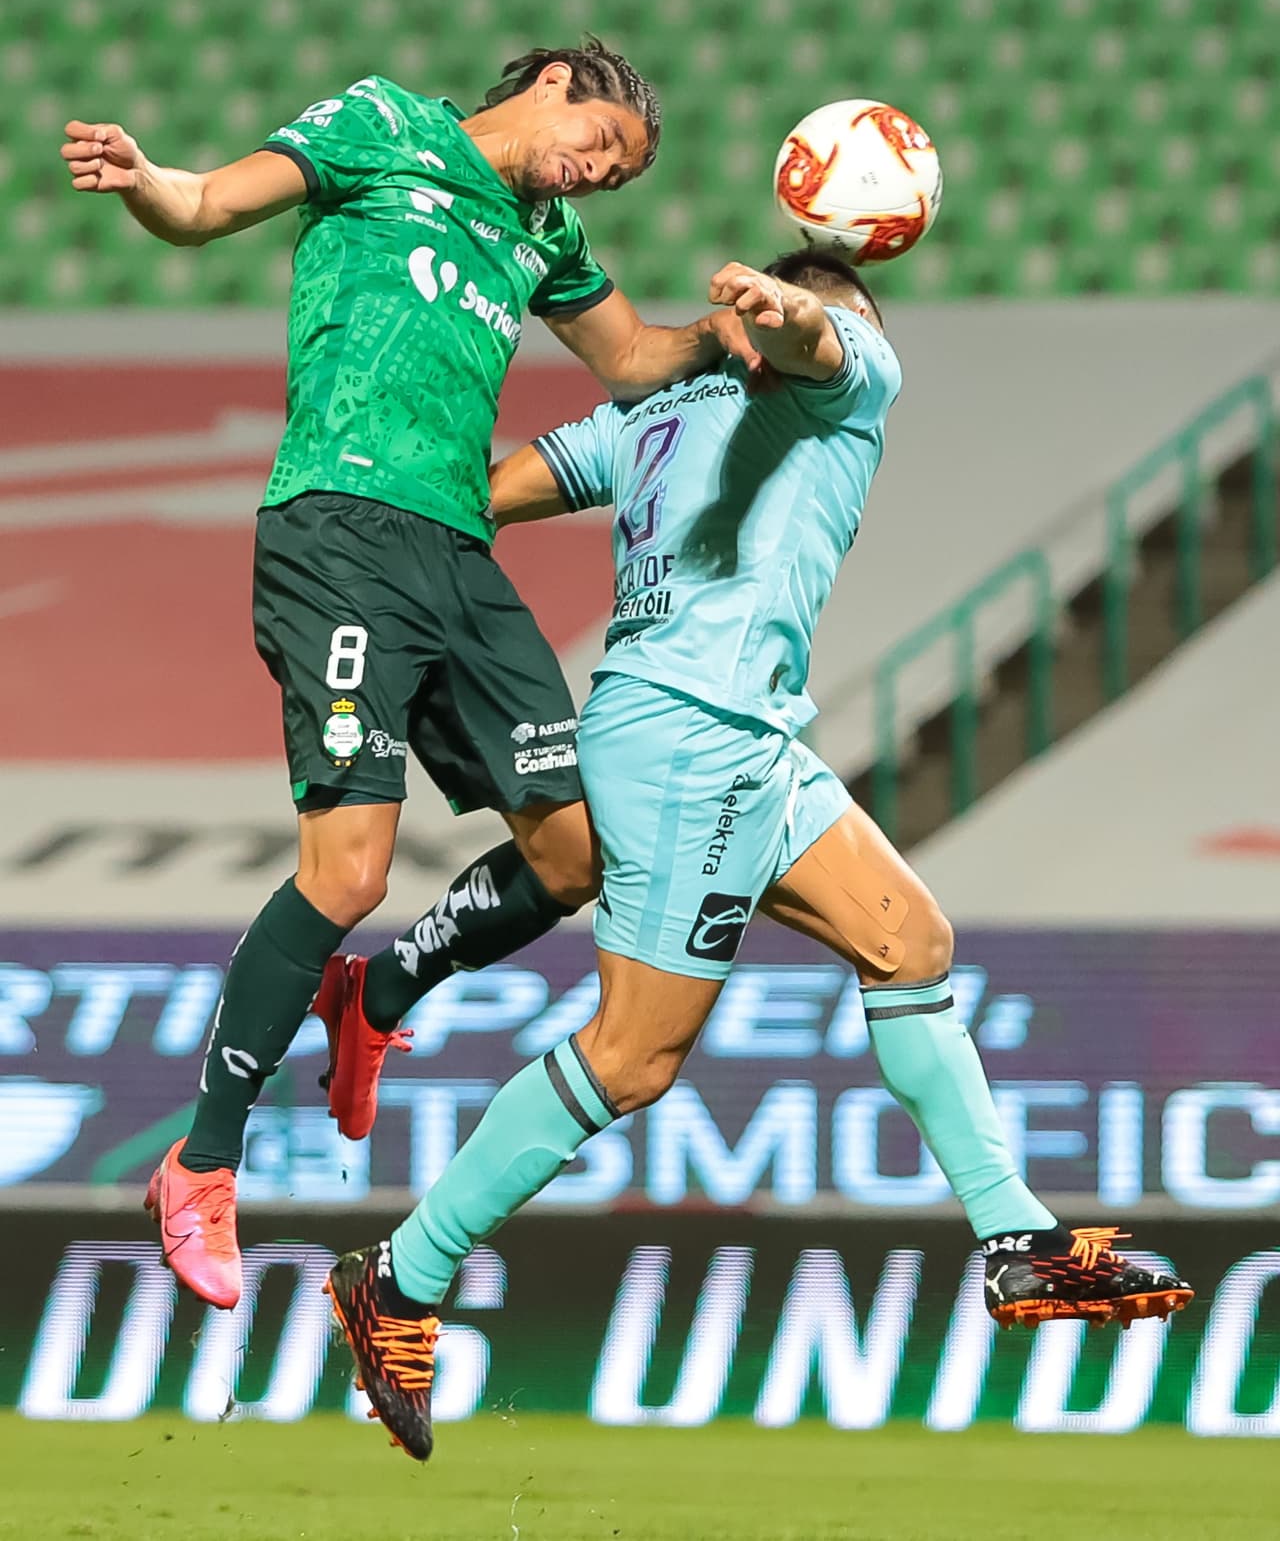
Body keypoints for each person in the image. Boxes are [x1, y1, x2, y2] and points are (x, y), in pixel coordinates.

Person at [323, 250, 1193, 1461]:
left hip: (748, 734)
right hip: (691, 736)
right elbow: (820, 345)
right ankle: (401, 1277)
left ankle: (1015, 1240)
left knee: (907, 939)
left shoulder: (646, 414)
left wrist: (367, 501)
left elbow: (488, 489)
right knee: (629, 1058)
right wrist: (792, 314)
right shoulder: (849, 365)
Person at [61, 38, 763, 1310]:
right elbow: (205, 205)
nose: (598, 176)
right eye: (602, 144)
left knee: (574, 858)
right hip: (338, 528)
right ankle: (200, 1164)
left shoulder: (544, 233)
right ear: (553, 82)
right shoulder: (382, 124)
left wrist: (720, 336)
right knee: (349, 871)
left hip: (457, 553)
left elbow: (628, 360)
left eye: (619, 176)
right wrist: (146, 179)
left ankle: (379, 989)